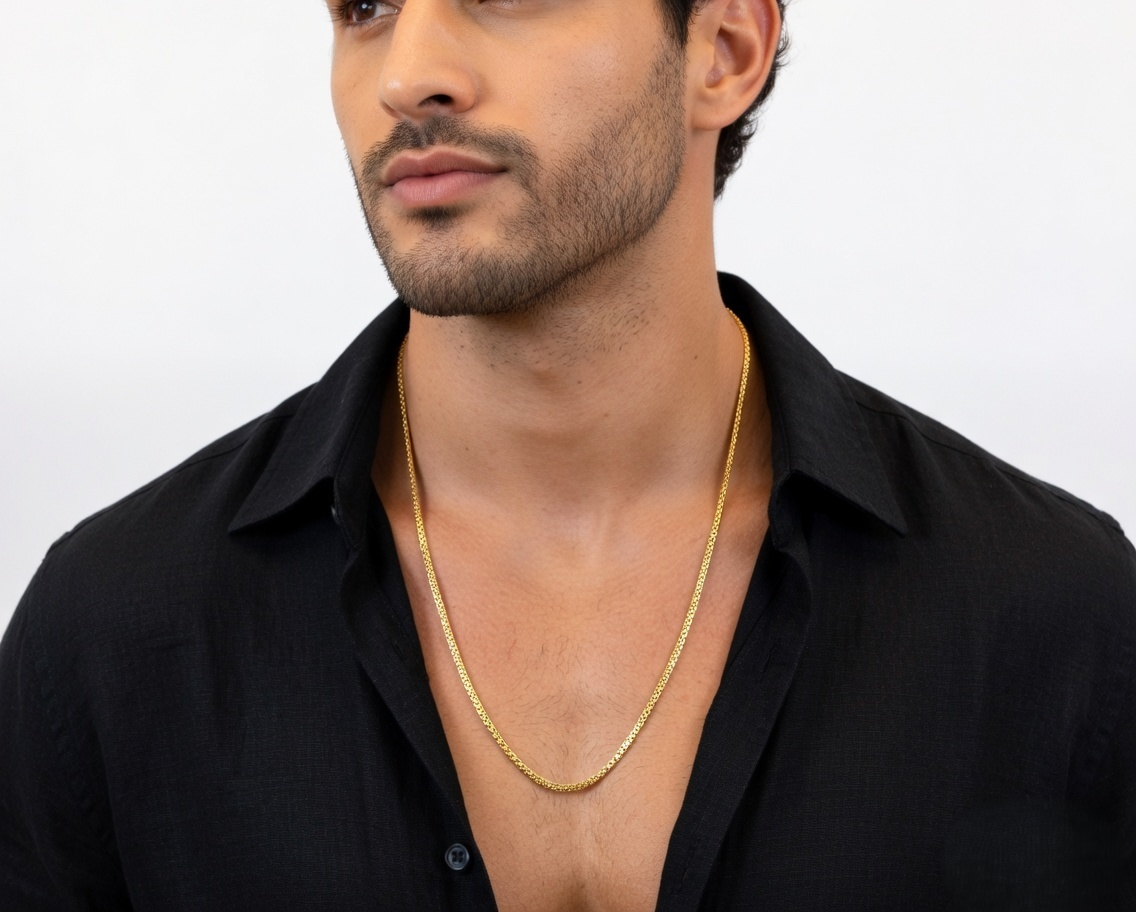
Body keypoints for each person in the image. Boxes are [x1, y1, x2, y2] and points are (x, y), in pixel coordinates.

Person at [1, 0, 1132, 908]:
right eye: (365, 8)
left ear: (724, 51)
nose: (409, 74)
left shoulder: (1053, 621)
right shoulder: (116, 633)